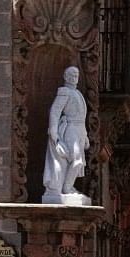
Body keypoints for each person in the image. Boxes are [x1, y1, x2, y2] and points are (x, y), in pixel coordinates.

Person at [42, 65, 90, 203]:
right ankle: (67, 188)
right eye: (72, 75)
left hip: (79, 129)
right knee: (76, 160)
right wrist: (53, 131)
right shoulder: (65, 92)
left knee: (79, 162)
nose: (74, 78)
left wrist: (85, 135)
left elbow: (82, 117)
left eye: (76, 76)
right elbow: (55, 111)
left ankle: (68, 187)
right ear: (66, 77)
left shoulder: (78, 93)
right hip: (70, 128)